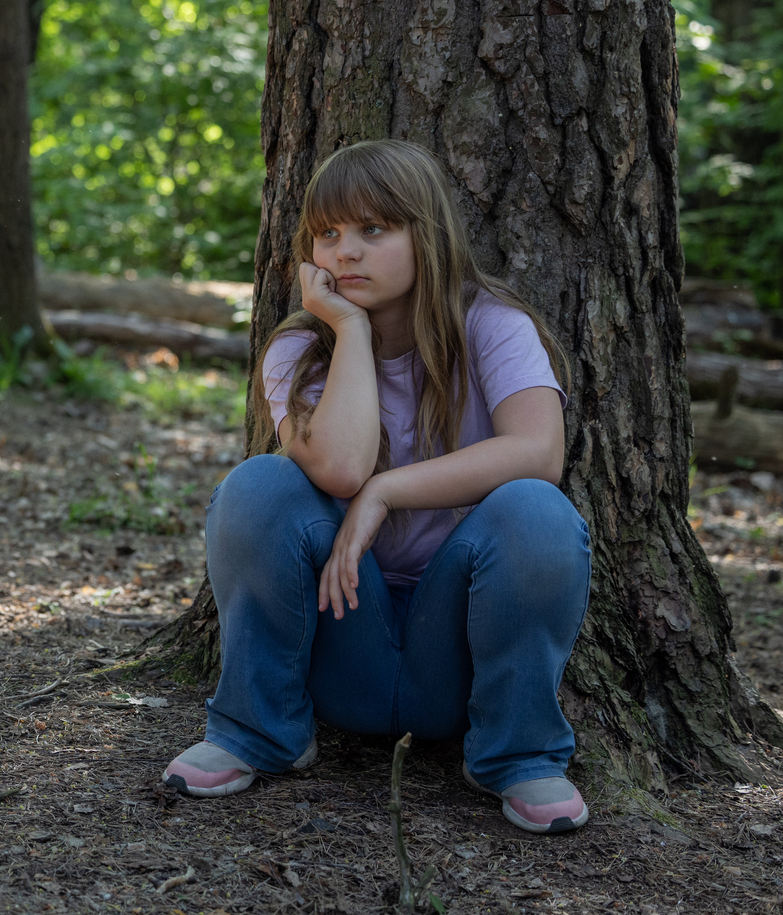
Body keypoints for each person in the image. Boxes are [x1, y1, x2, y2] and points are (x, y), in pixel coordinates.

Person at [161, 140, 592, 835]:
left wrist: (386, 493)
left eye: (374, 229)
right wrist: (351, 330)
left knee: (537, 511)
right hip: (341, 632)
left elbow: (539, 451)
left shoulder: (492, 325)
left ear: (428, 233)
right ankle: (258, 730)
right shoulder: (299, 351)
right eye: (327, 234)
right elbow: (339, 469)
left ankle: (518, 755)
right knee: (257, 487)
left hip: (455, 647)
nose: (346, 252)